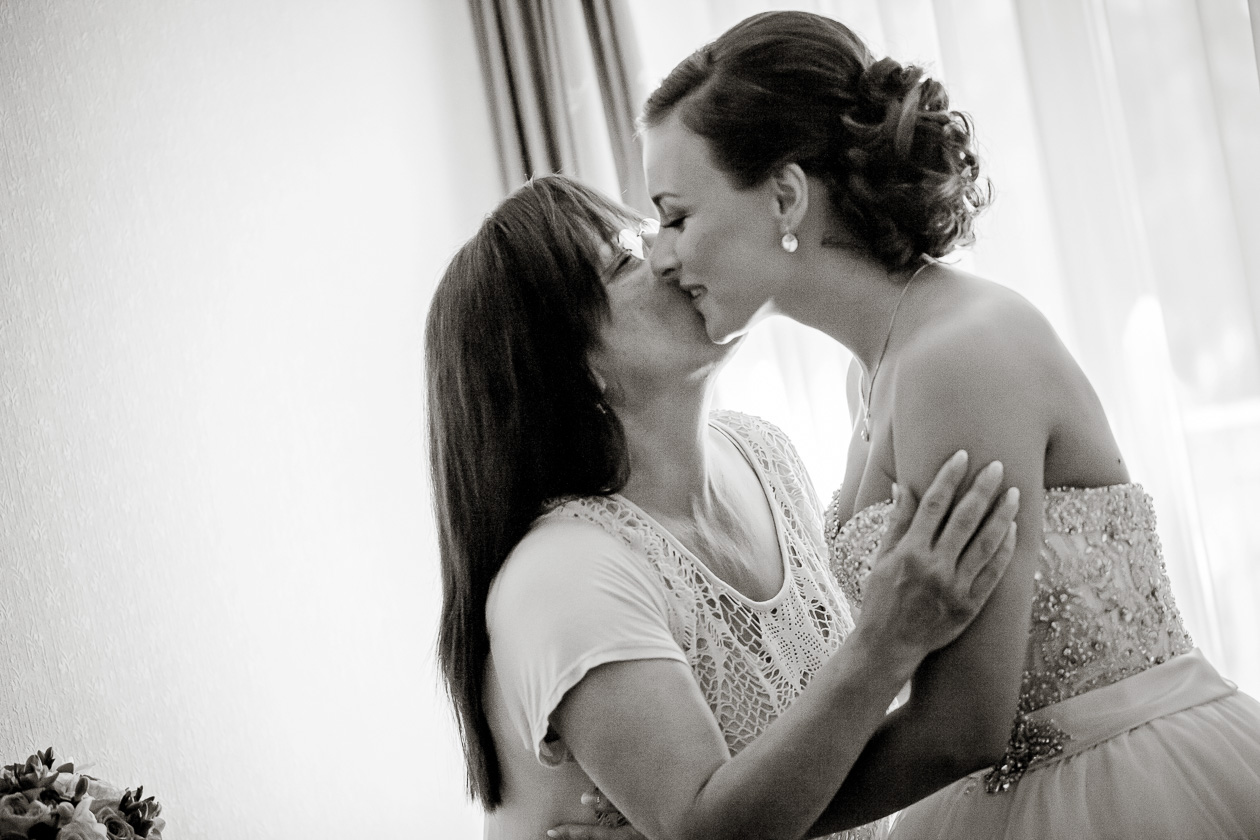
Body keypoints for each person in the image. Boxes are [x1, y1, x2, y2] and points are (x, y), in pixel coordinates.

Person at [627, 9, 1260, 839]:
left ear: (785, 196)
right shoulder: (874, 373)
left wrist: (717, 824)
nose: (660, 256)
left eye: (676, 216)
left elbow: (962, 729)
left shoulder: (957, 359)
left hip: (1127, 794)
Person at [426, 174, 1022, 840]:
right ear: (568, 368)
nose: (670, 255)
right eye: (624, 262)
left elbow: (821, 759)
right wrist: (886, 643)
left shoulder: (765, 455)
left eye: (655, 231)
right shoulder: (561, 574)